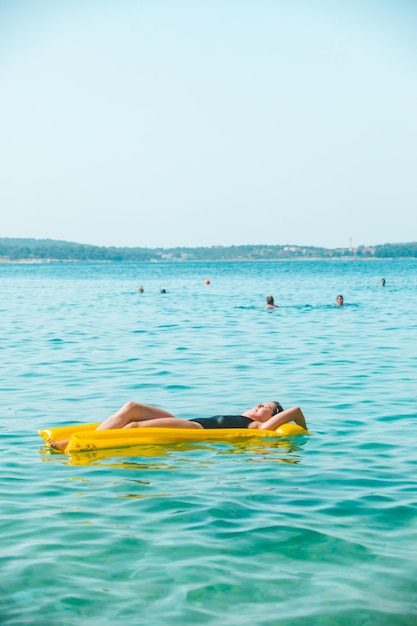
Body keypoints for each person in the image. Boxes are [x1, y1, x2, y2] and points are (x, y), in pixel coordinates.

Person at [47, 400, 308, 450]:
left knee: (133, 428)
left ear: (273, 417)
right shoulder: (247, 418)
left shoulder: (259, 428)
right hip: (184, 420)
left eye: (266, 408)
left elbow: (295, 411)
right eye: (259, 402)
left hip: (194, 430)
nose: (258, 406)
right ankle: (84, 435)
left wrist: (305, 431)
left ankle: (75, 443)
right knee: (131, 408)